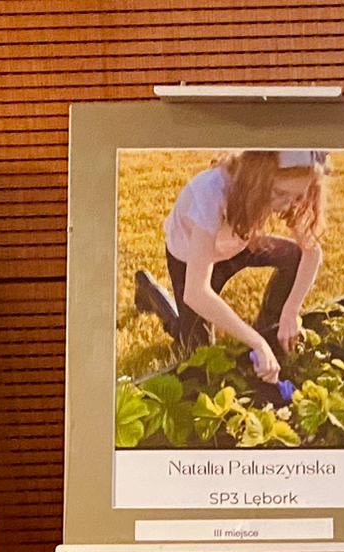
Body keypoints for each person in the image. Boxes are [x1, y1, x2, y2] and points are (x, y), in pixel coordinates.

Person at [133, 150, 329, 383]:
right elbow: (196, 293)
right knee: (199, 351)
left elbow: (311, 251)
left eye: (297, 196)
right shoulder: (211, 192)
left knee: (293, 256)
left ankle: (269, 330)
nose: (287, 205)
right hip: (190, 259)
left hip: (238, 244)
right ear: (257, 178)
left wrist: (291, 311)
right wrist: (256, 342)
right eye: (280, 194)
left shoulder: (286, 190)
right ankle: (151, 293)